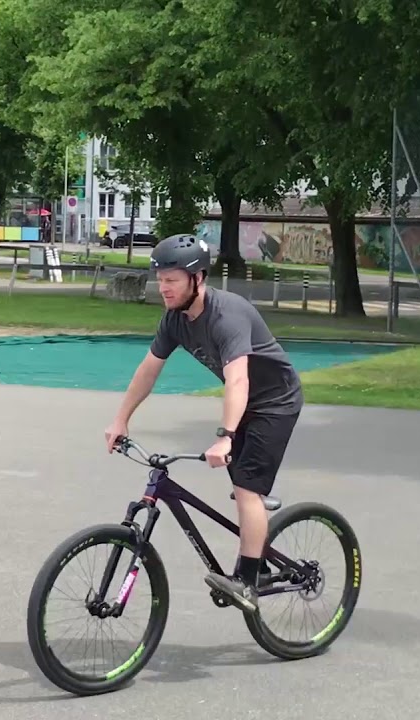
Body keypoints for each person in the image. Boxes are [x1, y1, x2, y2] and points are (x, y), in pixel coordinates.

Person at [104, 233, 304, 614]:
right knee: (247, 486)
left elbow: (239, 380)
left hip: (275, 402)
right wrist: (120, 419)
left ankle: (249, 580)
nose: (162, 287)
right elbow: (149, 370)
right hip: (243, 402)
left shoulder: (227, 315)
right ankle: (256, 506)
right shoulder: (175, 319)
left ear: (197, 279)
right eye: (159, 279)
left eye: (171, 279)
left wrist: (226, 437)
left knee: (245, 487)